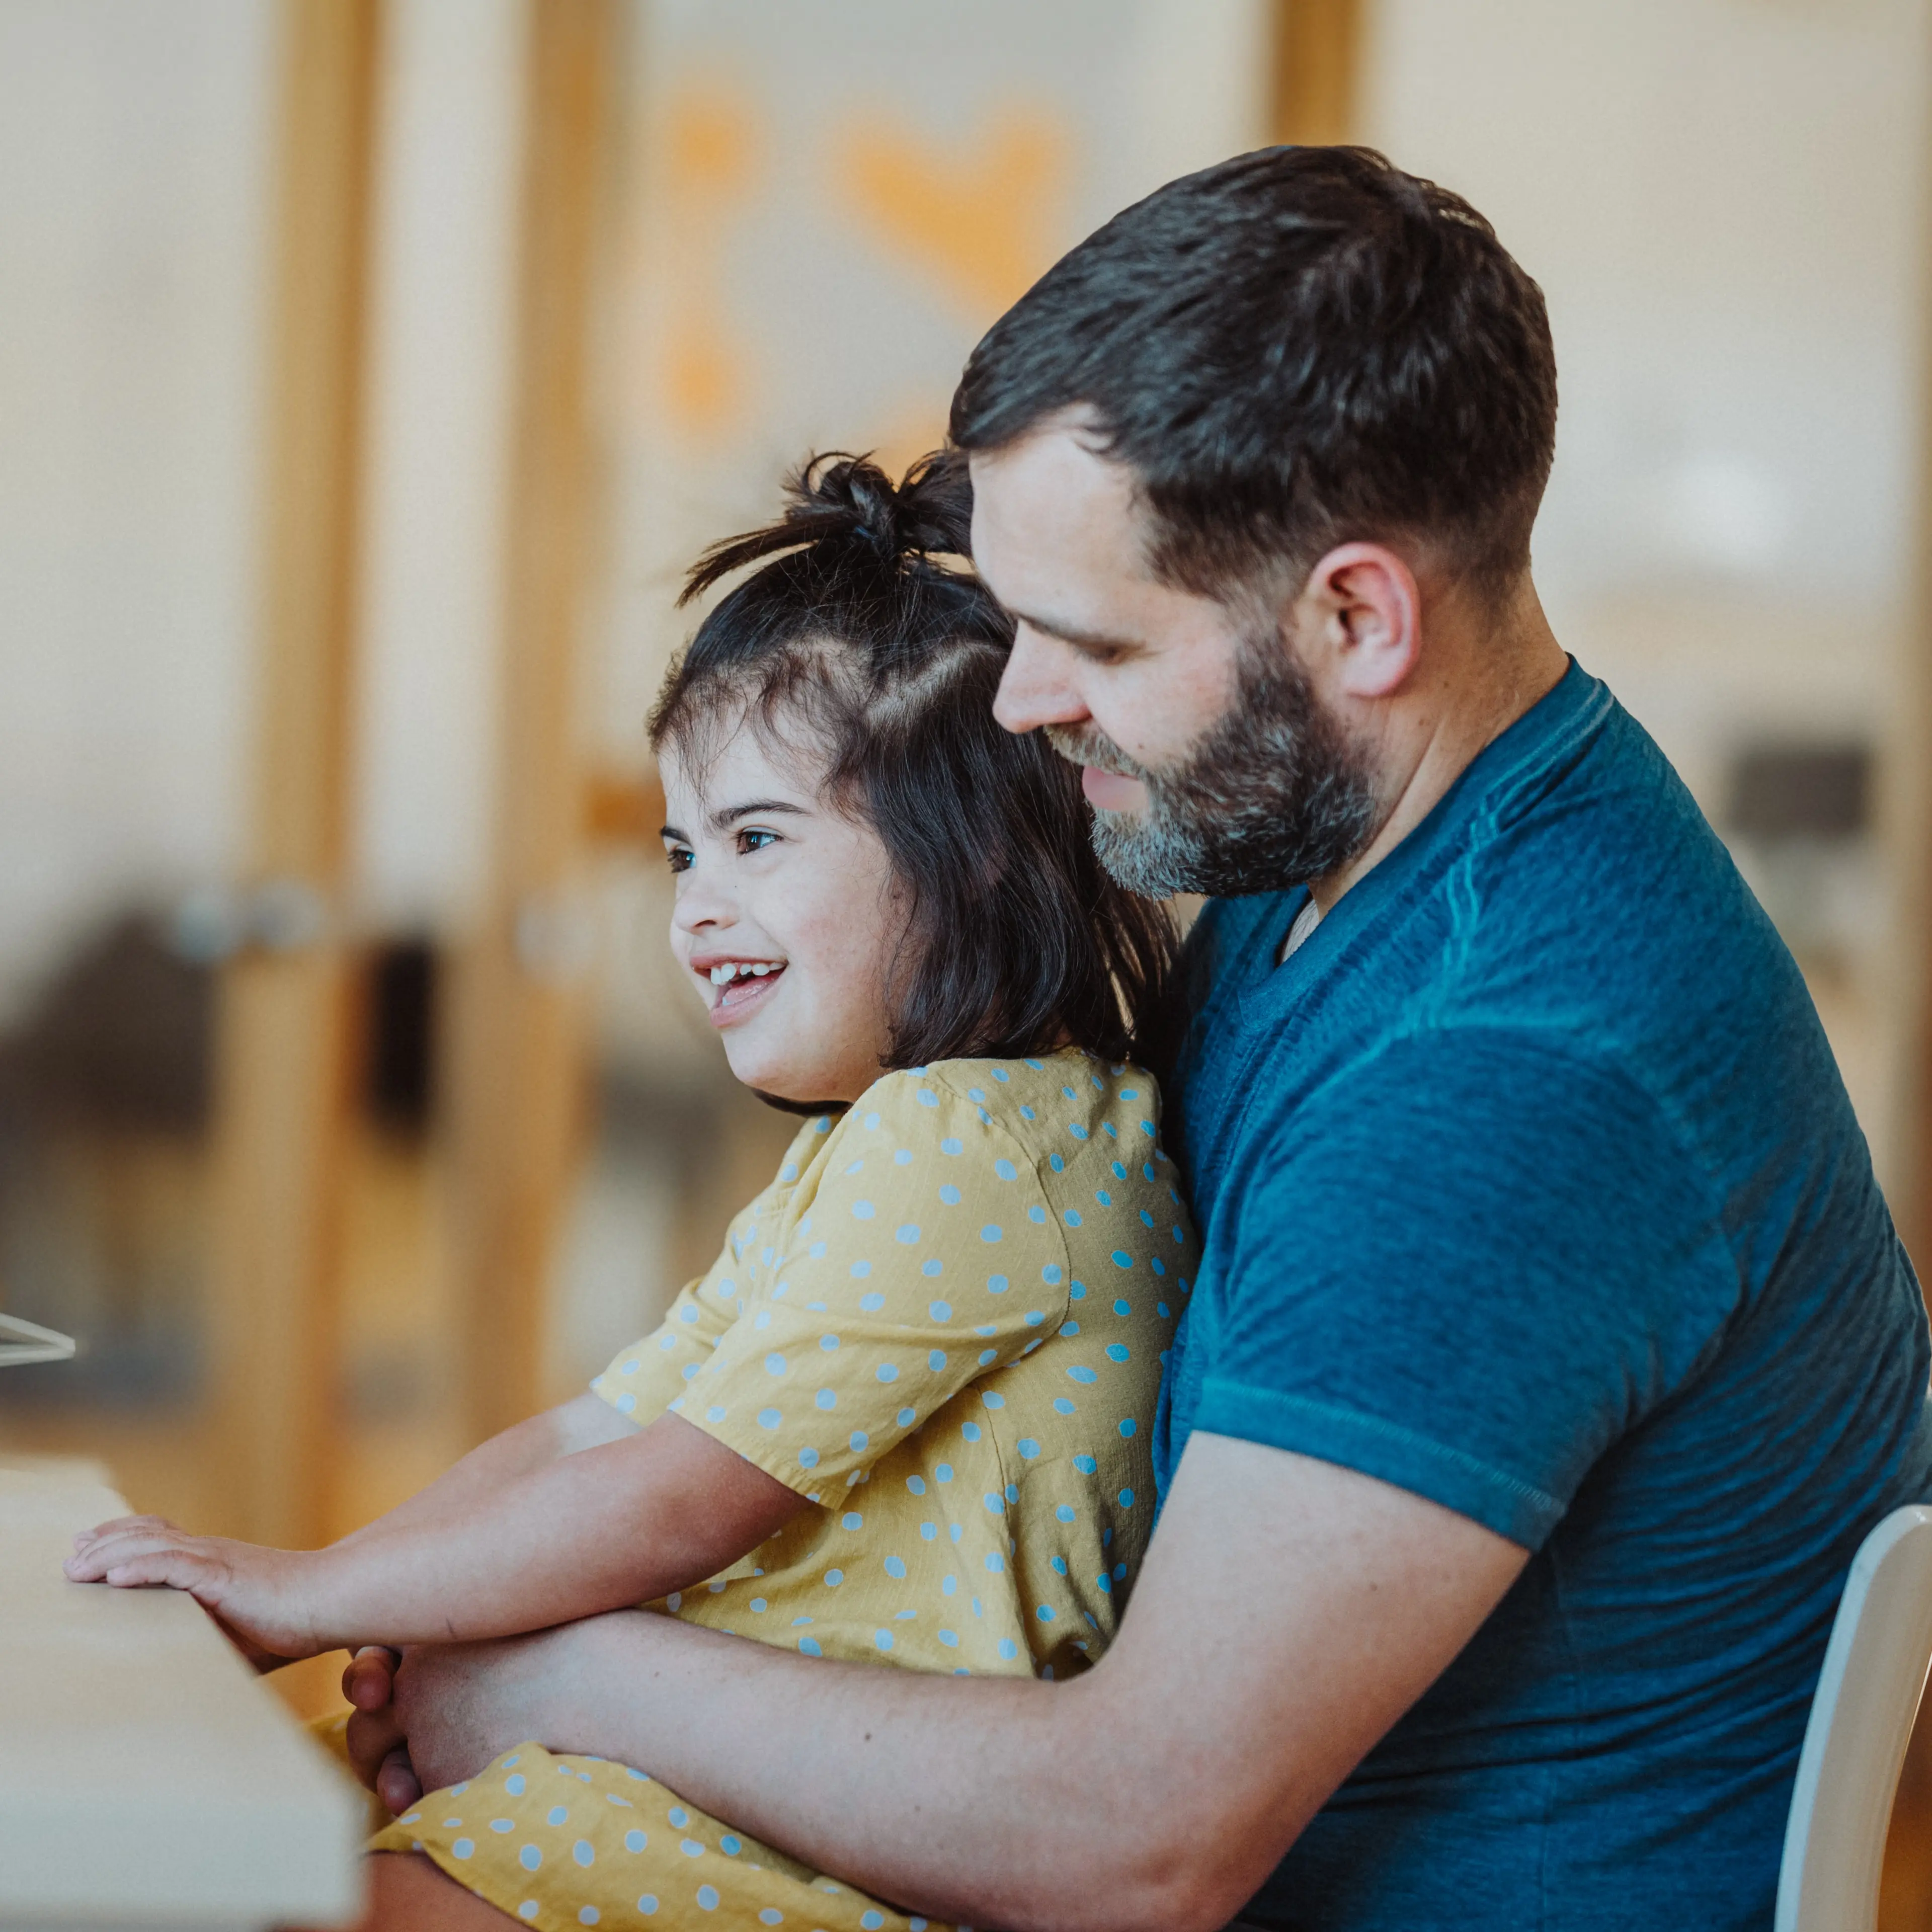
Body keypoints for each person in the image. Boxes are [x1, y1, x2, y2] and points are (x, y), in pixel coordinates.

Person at [335, 144, 1929, 1932]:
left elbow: (1139, 1843)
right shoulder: (1322, 847)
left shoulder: (1502, 1075)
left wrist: (573, 1685)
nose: (1021, 700)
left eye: (1085, 636)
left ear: (1356, 615)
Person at [66, 454, 1190, 1931]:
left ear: (972, 851)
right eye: (680, 850)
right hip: (711, 1776)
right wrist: (355, 1601)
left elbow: (672, 1501)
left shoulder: (983, 1149)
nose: (696, 906)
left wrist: (304, 1597)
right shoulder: (893, 1142)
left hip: (809, 1841)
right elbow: (593, 1429)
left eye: (758, 838)